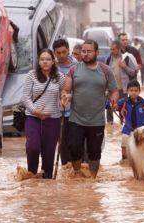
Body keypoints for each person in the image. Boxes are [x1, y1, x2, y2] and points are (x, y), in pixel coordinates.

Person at [61, 40, 118, 178]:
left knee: (94, 153)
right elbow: (66, 89)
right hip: (76, 118)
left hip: (97, 120)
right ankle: (77, 173)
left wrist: (114, 100)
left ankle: (93, 179)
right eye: (83, 51)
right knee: (74, 148)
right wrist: (65, 96)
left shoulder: (105, 70)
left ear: (97, 53)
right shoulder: (74, 69)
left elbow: (114, 90)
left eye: (89, 51)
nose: (85, 54)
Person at [22, 49, 66, 179]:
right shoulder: (31, 75)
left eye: (48, 59)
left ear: (53, 61)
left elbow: (65, 92)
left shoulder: (59, 77)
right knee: (32, 147)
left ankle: (46, 183)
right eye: (42, 59)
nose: (45, 62)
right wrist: (36, 111)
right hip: (33, 117)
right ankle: (32, 175)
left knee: (49, 153)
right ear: (38, 61)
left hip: (53, 119)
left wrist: (64, 99)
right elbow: (25, 97)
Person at [52, 38, 78, 167]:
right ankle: (66, 168)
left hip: (75, 111)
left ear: (68, 50)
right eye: (58, 53)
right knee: (62, 143)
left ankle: (76, 168)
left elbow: (81, 88)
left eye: (64, 52)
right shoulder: (52, 68)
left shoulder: (77, 66)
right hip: (58, 112)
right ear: (54, 53)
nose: (61, 55)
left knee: (75, 142)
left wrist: (70, 96)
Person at [117, 80, 144, 160]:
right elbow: (114, 105)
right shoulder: (124, 102)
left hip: (140, 129)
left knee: (142, 145)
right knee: (124, 140)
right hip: (127, 128)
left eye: (136, 90)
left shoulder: (143, 103)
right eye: (131, 90)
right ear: (127, 91)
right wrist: (107, 104)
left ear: (139, 91)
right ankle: (124, 159)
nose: (133, 92)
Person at [105, 40, 137, 124]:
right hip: (111, 89)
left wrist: (125, 66)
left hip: (123, 89)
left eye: (114, 49)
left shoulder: (126, 58)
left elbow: (133, 72)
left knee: (122, 109)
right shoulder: (108, 59)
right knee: (109, 109)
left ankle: (122, 127)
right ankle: (110, 128)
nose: (112, 51)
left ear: (119, 49)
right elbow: (105, 74)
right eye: (111, 49)